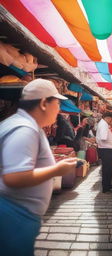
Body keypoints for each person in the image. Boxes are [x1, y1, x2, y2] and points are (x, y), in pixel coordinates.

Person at [0, 79, 77, 256]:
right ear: (44, 103)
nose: (59, 109)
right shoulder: (24, 129)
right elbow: (15, 177)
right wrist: (57, 170)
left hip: (18, 215)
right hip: (13, 215)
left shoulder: (24, 125)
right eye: (57, 103)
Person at [96, 111, 112, 193]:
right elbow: (104, 137)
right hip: (106, 149)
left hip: (106, 149)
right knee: (107, 169)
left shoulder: (103, 124)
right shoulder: (104, 124)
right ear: (109, 118)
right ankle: (106, 187)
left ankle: (108, 185)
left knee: (108, 169)